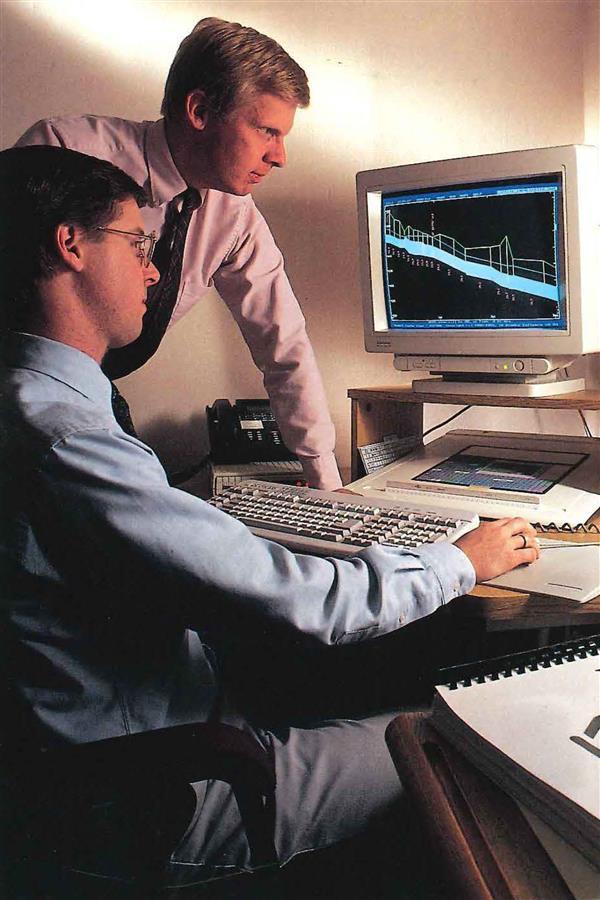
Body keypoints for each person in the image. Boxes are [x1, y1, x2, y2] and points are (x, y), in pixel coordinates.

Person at [0, 145, 540, 889]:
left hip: (131, 724)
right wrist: (460, 560)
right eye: (137, 245)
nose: (155, 272)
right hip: (149, 791)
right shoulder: (64, 437)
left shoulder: (28, 404)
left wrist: (221, 527)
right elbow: (298, 603)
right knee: (470, 733)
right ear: (70, 245)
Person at [15, 16, 343, 491]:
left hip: (93, 397)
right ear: (200, 110)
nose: (280, 156)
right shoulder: (67, 152)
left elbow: (284, 342)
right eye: (267, 131)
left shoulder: (235, 215)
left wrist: (324, 482)